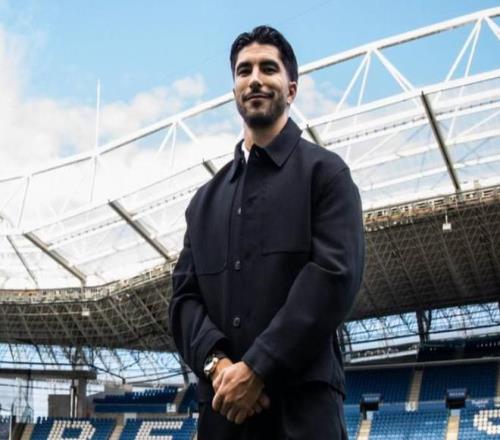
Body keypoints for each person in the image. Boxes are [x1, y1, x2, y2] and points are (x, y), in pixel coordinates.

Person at [169, 25, 365, 439]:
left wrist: (258, 368)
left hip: (302, 417)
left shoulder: (326, 175)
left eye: (268, 68)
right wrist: (218, 365)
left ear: (291, 89)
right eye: (244, 71)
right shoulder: (203, 203)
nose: (255, 79)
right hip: (222, 417)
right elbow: (184, 300)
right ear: (235, 90)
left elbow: (333, 279)